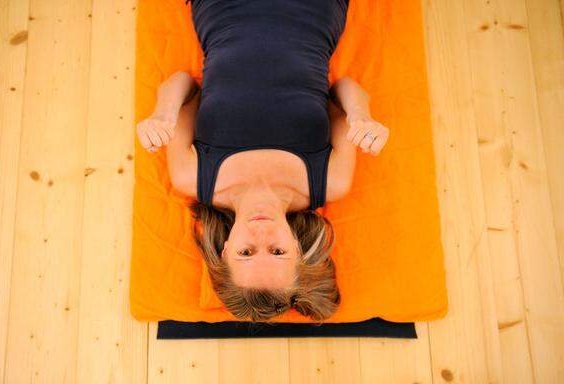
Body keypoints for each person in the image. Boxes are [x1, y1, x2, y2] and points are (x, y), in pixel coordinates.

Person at [135, 0, 390, 322]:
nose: (262, 236)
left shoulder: (194, 177)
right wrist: (361, 118)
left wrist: (162, 115)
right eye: (278, 252)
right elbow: (344, 88)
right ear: (297, 250)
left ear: (225, 250)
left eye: (246, 253)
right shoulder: (329, 182)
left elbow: (182, 82)